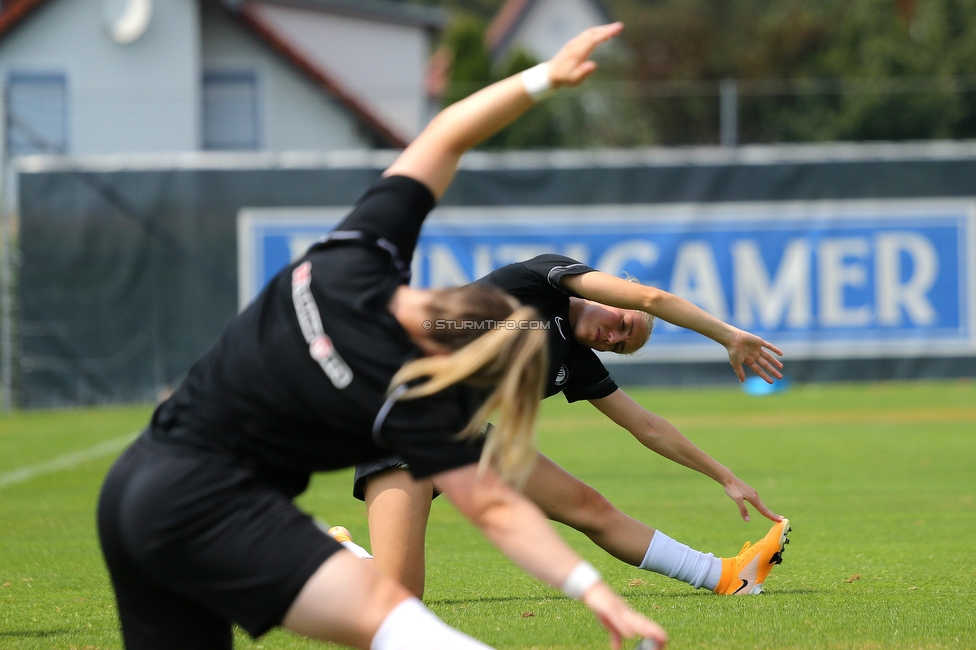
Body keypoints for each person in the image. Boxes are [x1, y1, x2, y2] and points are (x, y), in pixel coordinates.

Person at [96, 22, 667, 650]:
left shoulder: (356, 252)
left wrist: (541, 79)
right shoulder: (404, 389)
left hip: (133, 487)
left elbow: (447, 132)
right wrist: (591, 589)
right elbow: (497, 508)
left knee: (403, 625)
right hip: (207, 504)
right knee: (407, 630)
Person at [340, 255, 791, 601]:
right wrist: (728, 336)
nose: (613, 337)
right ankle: (331, 554)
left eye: (621, 346)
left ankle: (729, 576)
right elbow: (652, 299)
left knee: (589, 506)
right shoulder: (541, 280)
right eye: (622, 324)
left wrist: (725, 477)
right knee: (400, 597)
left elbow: (648, 427)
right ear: (615, 298)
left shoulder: (573, 363)